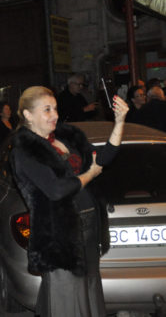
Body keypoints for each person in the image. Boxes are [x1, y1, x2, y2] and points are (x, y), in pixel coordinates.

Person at [8, 86, 128, 316]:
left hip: (89, 225)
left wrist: (120, 122)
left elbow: (102, 159)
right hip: (59, 235)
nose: (54, 115)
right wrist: (89, 175)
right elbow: (56, 190)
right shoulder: (25, 150)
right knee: (66, 298)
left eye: (55, 108)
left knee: (90, 291)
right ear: (28, 115)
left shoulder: (66, 137)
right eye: (47, 110)